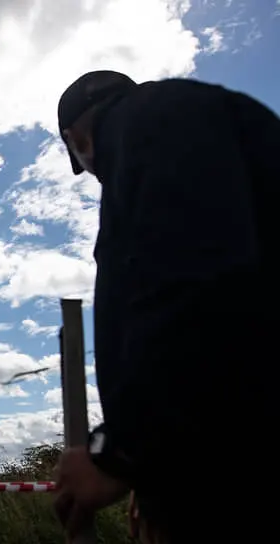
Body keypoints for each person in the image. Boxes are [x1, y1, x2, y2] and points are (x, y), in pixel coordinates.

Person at [52, 70, 279, 542]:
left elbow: (194, 284)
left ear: (78, 141)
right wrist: (157, 472)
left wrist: (122, 453)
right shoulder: (202, 120)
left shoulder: (149, 126)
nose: (96, 174)